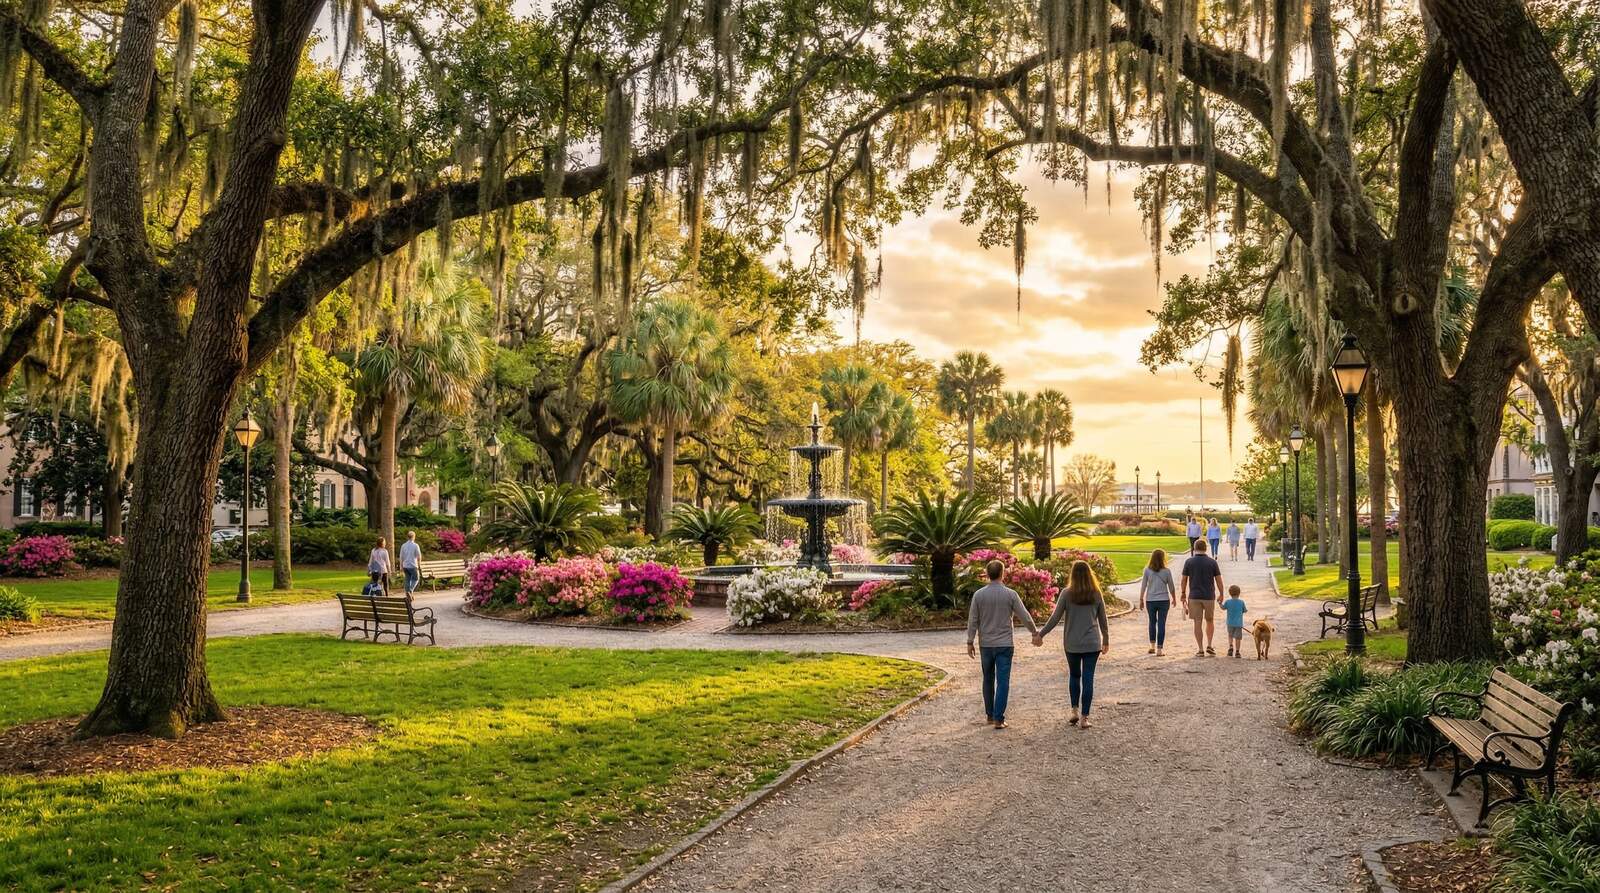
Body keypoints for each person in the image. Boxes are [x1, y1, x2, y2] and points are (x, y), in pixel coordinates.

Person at [966, 559, 1040, 730]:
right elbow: (1025, 615)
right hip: (1005, 643)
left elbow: (973, 621)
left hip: (986, 644)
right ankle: (999, 718)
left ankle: (990, 715)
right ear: (1002, 573)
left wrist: (970, 641)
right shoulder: (1011, 594)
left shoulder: (979, 595)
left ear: (987, 573)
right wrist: (1035, 633)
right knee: (1003, 681)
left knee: (988, 679)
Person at [1037, 560, 1111, 728]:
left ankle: (1074, 711)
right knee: (1088, 678)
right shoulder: (1096, 593)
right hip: (1092, 643)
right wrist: (1106, 638)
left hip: (1072, 644)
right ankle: (1085, 718)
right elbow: (1103, 619)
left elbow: (1055, 618)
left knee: (1074, 675)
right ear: (1089, 574)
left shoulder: (1066, 593)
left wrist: (1040, 635)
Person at [1181, 539, 1225, 656]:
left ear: (1194, 548)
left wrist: (1183, 593)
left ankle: (1200, 649)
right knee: (1210, 621)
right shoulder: (1212, 562)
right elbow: (1219, 580)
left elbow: (1184, 579)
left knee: (1197, 622)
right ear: (1206, 548)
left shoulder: (1189, 562)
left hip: (1194, 596)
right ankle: (1209, 645)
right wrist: (1222, 593)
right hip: (1209, 596)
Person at [1138, 549, 1176, 656]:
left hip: (1150, 600)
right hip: (1164, 600)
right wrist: (1174, 598)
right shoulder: (1167, 571)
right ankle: (1159, 650)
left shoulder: (1147, 570)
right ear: (1163, 558)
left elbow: (1143, 586)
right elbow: (1171, 587)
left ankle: (1152, 646)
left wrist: (1141, 599)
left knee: (1152, 622)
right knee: (1161, 623)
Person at [1222, 585, 1248, 658]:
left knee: (1230, 635)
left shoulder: (1227, 602)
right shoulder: (1241, 602)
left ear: (1230, 593)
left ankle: (1230, 647)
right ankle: (1237, 652)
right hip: (1238, 624)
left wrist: (1219, 603)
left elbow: (1223, 608)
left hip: (1230, 623)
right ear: (1239, 593)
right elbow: (1245, 610)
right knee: (1238, 638)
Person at [399, 530, 423, 595]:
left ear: (407, 537)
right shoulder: (415, 545)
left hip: (405, 566)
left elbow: (401, 557)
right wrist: (419, 564)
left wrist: (401, 566)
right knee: (416, 578)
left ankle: (407, 593)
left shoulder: (403, 545)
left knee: (407, 579)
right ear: (414, 537)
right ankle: (410, 590)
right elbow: (419, 556)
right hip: (413, 565)